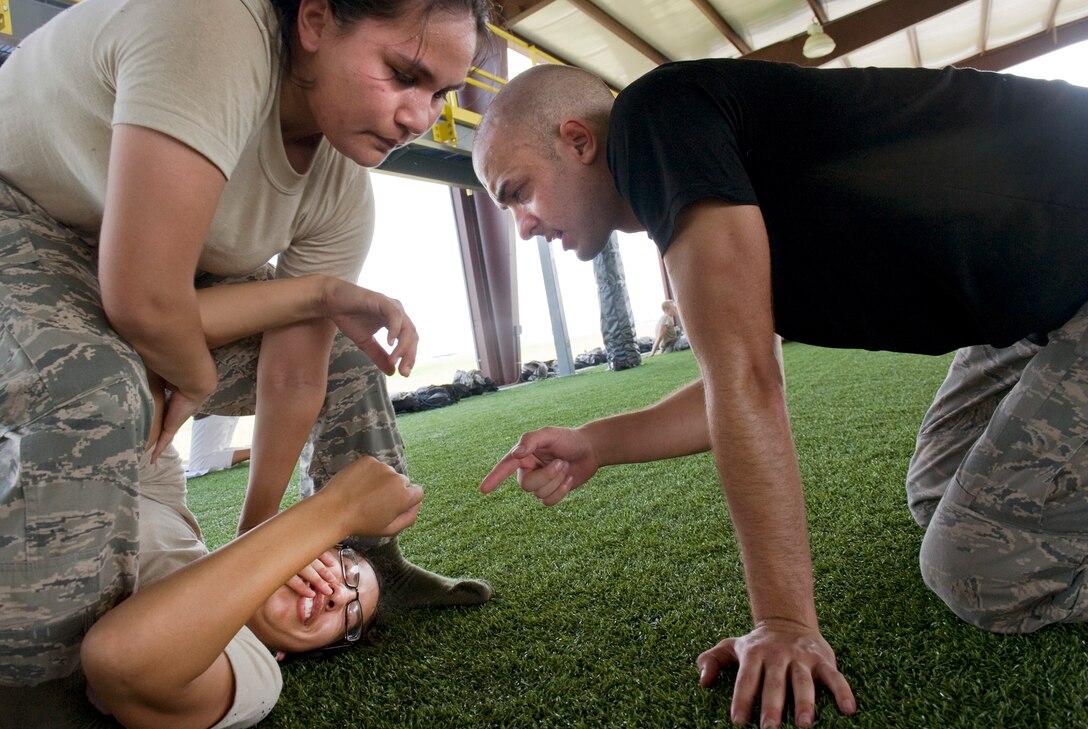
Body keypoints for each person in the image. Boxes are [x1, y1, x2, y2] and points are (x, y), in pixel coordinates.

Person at [471, 60, 1088, 728]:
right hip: (1037, 311)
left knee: (977, 566)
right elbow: (731, 384)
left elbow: (748, 383)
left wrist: (785, 622)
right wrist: (594, 442)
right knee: (935, 490)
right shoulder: (701, 185)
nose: (523, 227)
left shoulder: (652, 121)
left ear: (578, 141)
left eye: (517, 191)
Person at [0, 0, 494, 693]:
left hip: (142, 278)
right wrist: (193, 373)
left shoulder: (342, 191)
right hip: (21, 213)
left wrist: (260, 551)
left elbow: (293, 377)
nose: (419, 116)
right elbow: (142, 297)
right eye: (402, 73)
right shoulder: (216, 26)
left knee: (345, 356)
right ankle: (36, 688)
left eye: (440, 92)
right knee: (90, 378)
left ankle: (378, 558)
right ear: (315, 21)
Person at [185, 415, 252, 479]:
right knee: (219, 452)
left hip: (213, 410)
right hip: (219, 411)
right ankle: (256, 450)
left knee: (199, 465)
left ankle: (256, 452)